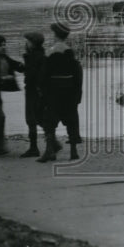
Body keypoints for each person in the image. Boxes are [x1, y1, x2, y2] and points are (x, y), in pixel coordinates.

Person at [39, 22, 83, 162]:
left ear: (55, 35)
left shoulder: (50, 52)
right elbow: (77, 74)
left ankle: (49, 151)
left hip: (54, 92)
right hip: (69, 92)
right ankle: (73, 151)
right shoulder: (70, 52)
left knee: (49, 121)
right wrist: (77, 93)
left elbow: (44, 75)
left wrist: (43, 93)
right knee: (71, 120)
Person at [20, 32, 47, 158]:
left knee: (31, 119)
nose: (26, 43)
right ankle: (52, 142)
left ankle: (33, 147)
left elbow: (31, 75)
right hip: (40, 91)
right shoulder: (42, 55)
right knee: (40, 118)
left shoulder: (31, 57)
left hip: (32, 91)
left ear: (33, 43)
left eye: (28, 41)